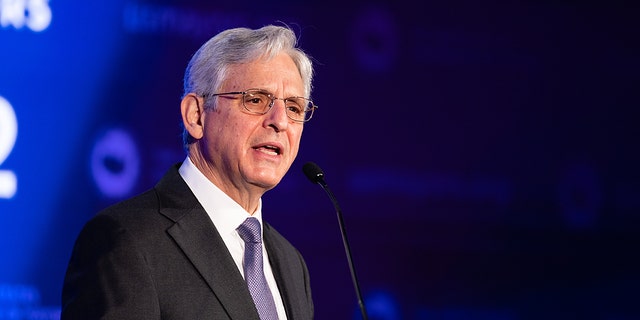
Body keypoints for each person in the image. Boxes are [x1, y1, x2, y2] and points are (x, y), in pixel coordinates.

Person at [61, 25, 317, 319]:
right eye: (256, 100)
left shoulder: (290, 262)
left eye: (295, 108)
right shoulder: (125, 241)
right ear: (196, 115)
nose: (280, 121)